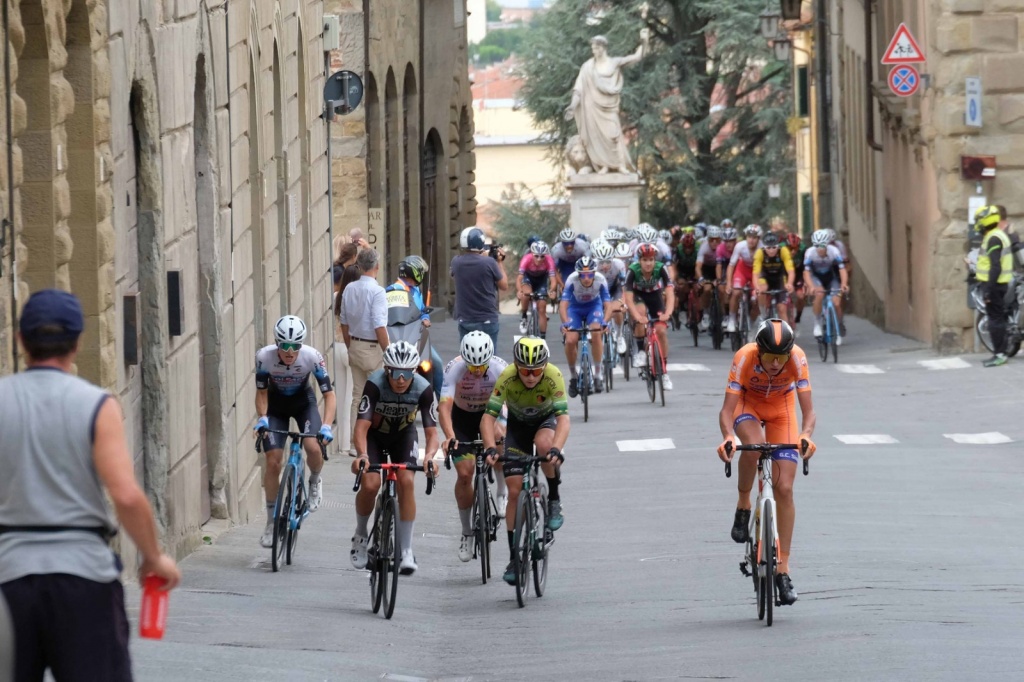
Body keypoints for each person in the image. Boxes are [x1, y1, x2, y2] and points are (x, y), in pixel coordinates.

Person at [0, 289, 181, 681]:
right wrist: (153, 556)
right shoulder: (97, 404)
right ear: (78, 342)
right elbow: (126, 495)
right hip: (83, 578)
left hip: (8, 578)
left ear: (20, 340)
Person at [716, 318, 817, 606]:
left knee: (785, 488)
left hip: (782, 410)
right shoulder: (744, 357)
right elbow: (726, 410)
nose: (776, 364)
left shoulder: (797, 358)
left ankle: (783, 569)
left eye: (781, 357)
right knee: (754, 447)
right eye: (770, 357)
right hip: (747, 406)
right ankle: (744, 503)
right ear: (759, 351)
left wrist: (806, 436)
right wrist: (727, 436)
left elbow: (808, 411)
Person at [480, 337, 569, 586]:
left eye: (536, 371)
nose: (530, 377)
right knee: (515, 490)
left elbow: (564, 419)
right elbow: (488, 418)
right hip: (517, 428)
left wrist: (557, 449)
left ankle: (553, 498)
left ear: (544, 367)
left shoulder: (554, 375)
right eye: (525, 371)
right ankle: (514, 559)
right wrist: (489, 448)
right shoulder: (507, 377)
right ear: (517, 367)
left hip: (545, 422)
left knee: (544, 446)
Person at [349, 341, 440, 575]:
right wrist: (361, 455)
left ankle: (407, 550)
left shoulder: (422, 388)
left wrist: (429, 456)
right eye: (396, 373)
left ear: (415, 371)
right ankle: (360, 535)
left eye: (407, 372)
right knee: (370, 484)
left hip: (403, 436)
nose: (401, 379)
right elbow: (361, 428)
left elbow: (431, 433)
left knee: (407, 482)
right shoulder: (375, 385)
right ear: (387, 370)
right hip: (375, 437)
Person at [254, 315, 335, 547]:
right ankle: (271, 523)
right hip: (276, 405)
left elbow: (329, 395)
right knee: (273, 462)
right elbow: (261, 393)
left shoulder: (312, 357)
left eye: (295, 346)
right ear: (276, 343)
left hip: (303, 403)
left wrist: (327, 425)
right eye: (285, 346)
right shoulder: (264, 357)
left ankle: (315, 480)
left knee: (313, 447)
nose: (290, 352)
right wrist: (262, 418)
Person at [438, 332, 509, 562]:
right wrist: (449, 436)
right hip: (463, 420)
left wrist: (503, 428)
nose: (477, 371)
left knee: (500, 436)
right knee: (465, 473)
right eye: (473, 367)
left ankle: (501, 491)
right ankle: (467, 533)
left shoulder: (500, 368)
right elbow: (444, 407)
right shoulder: (454, 369)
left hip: (491, 414)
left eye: (481, 367)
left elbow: (509, 405)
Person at [564, 32, 649, 174]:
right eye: (592, 48)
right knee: (597, 138)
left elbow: (637, 57)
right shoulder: (587, 67)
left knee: (613, 135)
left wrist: (645, 41)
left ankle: (619, 164)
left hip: (609, 108)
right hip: (592, 107)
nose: (594, 51)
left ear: (603, 47)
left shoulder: (614, 63)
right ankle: (603, 165)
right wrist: (572, 106)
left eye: (596, 48)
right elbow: (578, 89)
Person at [339, 248, 390, 445]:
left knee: (357, 396)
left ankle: (355, 442)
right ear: (377, 266)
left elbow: (344, 321)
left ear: (359, 266)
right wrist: (389, 352)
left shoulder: (349, 289)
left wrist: (350, 344)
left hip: (355, 344)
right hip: (372, 348)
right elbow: (379, 325)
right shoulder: (377, 292)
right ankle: (374, 440)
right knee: (379, 395)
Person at [385, 255, 444, 395]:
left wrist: (425, 317)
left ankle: (441, 401)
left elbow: (422, 310)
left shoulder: (416, 290)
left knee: (436, 363)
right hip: (397, 335)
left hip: (416, 335)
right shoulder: (392, 290)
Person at [624, 243, 675, 390]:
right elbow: (628, 298)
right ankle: (640, 351)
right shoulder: (632, 270)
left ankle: (664, 372)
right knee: (640, 313)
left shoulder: (661, 268)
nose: (648, 263)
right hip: (638, 297)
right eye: (645, 260)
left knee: (661, 331)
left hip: (655, 296)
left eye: (651, 260)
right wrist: (636, 317)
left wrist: (668, 313)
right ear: (639, 261)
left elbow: (670, 293)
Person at [560, 255, 612, 396]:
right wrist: (565, 323)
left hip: (593, 307)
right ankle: (573, 377)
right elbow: (563, 306)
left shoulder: (601, 280)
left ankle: (597, 375)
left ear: (594, 273)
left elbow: (608, 305)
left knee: (596, 332)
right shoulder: (571, 280)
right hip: (574, 308)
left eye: (589, 274)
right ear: (578, 274)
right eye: (583, 275)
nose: (586, 278)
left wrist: (605, 322)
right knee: (571, 340)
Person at [451, 227, 508, 348]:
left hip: (465, 319)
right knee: (490, 359)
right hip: (487, 319)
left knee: (467, 357)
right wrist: (499, 262)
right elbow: (504, 285)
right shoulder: (489, 263)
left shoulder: (456, 262)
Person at [974, 204, 1014, 367]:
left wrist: (988, 290)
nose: (976, 224)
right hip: (999, 284)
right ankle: (1002, 351)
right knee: (999, 318)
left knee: (995, 320)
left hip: (995, 286)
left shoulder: (993, 238)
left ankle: (1000, 354)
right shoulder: (998, 235)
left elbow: (995, 266)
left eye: (978, 221)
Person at [333, 264, 362, 457]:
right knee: (353, 398)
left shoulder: (337, 297)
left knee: (339, 396)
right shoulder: (358, 298)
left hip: (336, 346)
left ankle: (340, 444)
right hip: (351, 346)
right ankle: (349, 443)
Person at [803, 230, 849, 341]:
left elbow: (842, 269)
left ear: (827, 244)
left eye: (822, 245)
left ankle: (839, 324)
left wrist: (843, 284)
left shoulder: (834, 251)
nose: (820, 248)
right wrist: (810, 286)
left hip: (831, 277)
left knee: (837, 303)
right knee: (819, 293)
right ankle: (817, 322)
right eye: (817, 245)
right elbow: (806, 273)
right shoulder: (810, 253)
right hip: (816, 277)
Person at [725, 224, 762, 333]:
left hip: (756, 272)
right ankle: (732, 319)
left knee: (757, 298)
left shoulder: (762, 247)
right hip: (742, 270)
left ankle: (751, 321)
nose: (751, 240)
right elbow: (731, 265)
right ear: (746, 237)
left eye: (754, 237)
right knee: (736, 293)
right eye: (749, 237)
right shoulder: (740, 246)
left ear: (758, 239)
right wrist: (728, 283)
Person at [516, 240, 557, 338]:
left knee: (542, 308)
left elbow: (553, 280)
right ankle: (524, 316)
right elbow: (519, 278)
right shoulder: (526, 259)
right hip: (528, 278)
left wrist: (551, 290)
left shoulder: (549, 260)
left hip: (541, 281)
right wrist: (519, 290)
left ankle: (542, 337)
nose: (539, 259)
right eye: (536, 256)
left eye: (542, 256)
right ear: (532, 254)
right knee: (526, 294)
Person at [753, 231, 796, 323]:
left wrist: (790, 283)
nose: (771, 250)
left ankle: (786, 334)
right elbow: (755, 274)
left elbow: (790, 271)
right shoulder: (759, 253)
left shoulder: (783, 251)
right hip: (765, 277)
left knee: (782, 308)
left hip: (779, 278)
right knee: (762, 289)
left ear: (778, 246)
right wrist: (757, 287)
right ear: (764, 247)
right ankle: (763, 314)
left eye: (774, 247)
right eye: (768, 247)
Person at [694, 225, 723, 331]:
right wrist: (701, 278)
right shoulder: (704, 247)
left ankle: (724, 314)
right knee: (707, 289)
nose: (714, 242)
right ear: (708, 239)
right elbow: (698, 267)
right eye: (711, 240)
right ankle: (705, 315)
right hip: (706, 269)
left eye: (717, 240)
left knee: (722, 290)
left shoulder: (723, 247)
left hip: (719, 268)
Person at [786, 233, 807, 324]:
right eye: (790, 248)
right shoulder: (781, 249)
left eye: (795, 248)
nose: (793, 252)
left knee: (800, 296)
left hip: (798, 274)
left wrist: (806, 282)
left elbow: (806, 268)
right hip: (786, 274)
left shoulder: (803, 250)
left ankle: (799, 313)